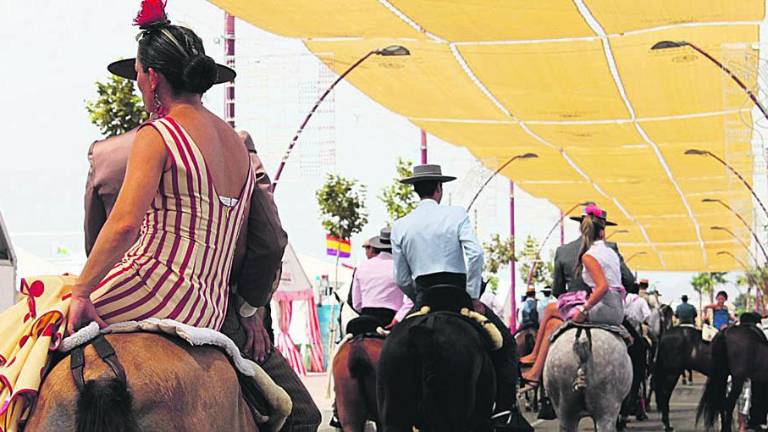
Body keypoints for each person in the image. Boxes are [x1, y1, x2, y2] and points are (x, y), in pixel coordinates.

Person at [391, 164, 527, 428]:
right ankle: (503, 410)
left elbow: (401, 278)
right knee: (506, 344)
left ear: (416, 191)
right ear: (439, 189)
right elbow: (475, 255)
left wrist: (418, 296)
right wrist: (473, 294)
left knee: (394, 344)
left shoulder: (400, 225)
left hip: (423, 298)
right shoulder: (456, 215)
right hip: (457, 296)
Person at [521, 204, 629, 390]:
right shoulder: (611, 250)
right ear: (603, 231)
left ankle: (534, 363)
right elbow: (628, 281)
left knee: (551, 316)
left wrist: (582, 308)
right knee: (641, 347)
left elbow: (563, 289)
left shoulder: (577, 253)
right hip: (616, 307)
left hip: (599, 305)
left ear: (581, 227)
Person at [350, 227, 410, 327]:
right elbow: (411, 299)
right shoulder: (401, 267)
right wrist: (398, 317)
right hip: (391, 318)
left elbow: (356, 304)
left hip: (366, 317)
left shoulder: (361, 267)